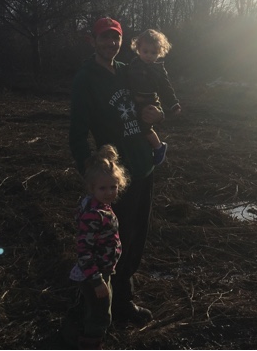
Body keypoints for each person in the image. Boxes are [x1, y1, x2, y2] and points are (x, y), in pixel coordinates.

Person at [69, 17, 164, 326]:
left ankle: (123, 296)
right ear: (93, 40)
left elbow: (153, 97)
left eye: (115, 38)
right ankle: (110, 303)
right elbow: (77, 133)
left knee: (136, 236)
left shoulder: (129, 70)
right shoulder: (86, 79)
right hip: (116, 175)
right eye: (104, 38)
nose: (111, 43)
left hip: (143, 164)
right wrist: (91, 172)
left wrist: (157, 112)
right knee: (113, 240)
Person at [68, 145, 128, 349]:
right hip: (95, 273)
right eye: (103, 188)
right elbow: (84, 251)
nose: (109, 192)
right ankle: (91, 342)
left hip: (102, 270)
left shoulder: (98, 206)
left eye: (113, 187)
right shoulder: (94, 215)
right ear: (91, 188)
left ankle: (85, 328)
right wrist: (96, 281)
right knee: (101, 313)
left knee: (95, 306)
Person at [128, 29, 181, 166]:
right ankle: (146, 147)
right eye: (145, 51)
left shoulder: (158, 69)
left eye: (153, 53)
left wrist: (173, 104)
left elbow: (165, 88)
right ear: (138, 49)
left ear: (160, 52)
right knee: (134, 125)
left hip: (151, 101)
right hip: (135, 101)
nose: (149, 56)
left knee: (144, 126)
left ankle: (159, 146)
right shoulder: (133, 65)